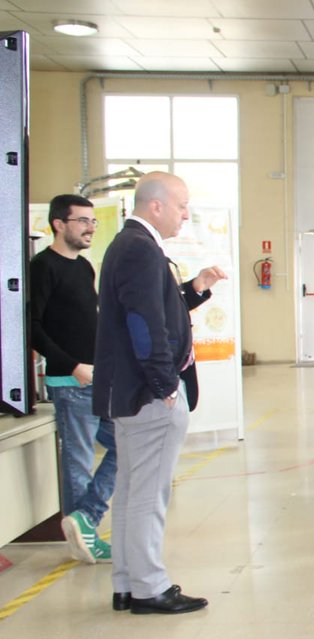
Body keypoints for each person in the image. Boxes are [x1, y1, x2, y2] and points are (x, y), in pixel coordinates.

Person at [92, 172, 225, 614]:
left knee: (132, 489)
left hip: (133, 393)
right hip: (149, 395)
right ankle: (150, 587)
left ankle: (129, 582)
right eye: (182, 205)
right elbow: (144, 325)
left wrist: (197, 288)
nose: (186, 214)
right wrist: (165, 384)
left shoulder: (130, 247)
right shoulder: (140, 250)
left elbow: (158, 309)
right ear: (156, 206)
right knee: (149, 493)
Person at [30, 194, 115, 564]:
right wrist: (71, 365)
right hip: (70, 381)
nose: (90, 228)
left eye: (93, 222)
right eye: (82, 221)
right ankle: (86, 539)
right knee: (78, 461)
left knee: (125, 446)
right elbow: (32, 328)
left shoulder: (83, 268)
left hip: (98, 377)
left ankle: (84, 517)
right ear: (58, 224)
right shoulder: (42, 267)